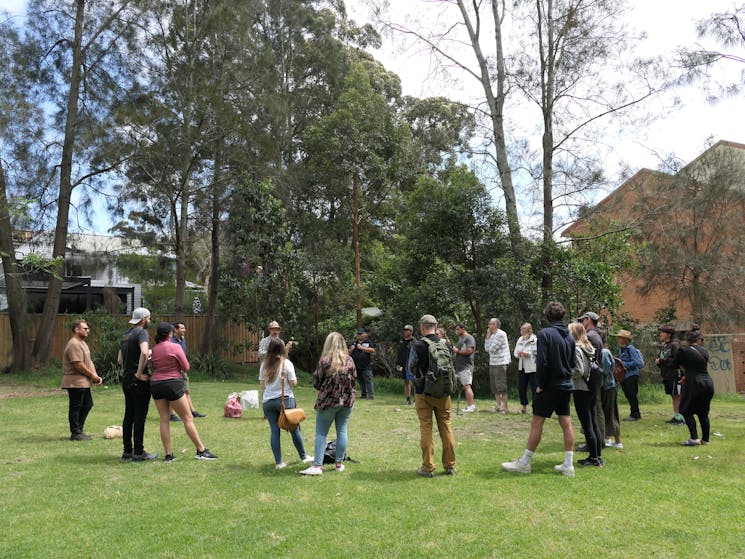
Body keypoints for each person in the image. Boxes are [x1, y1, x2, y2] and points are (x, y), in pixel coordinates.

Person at [502, 302, 576, 477]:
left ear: (547, 316)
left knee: (537, 422)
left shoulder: (545, 334)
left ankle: (525, 463)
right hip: (566, 384)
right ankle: (568, 465)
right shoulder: (570, 337)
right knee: (566, 422)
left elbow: (541, 362)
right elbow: (573, 363)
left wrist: (540, 384)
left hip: (550, 386)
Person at [150, 323, 217, 461]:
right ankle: (201, 450)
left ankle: (168, 455)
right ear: (170, 334)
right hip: (172, 384)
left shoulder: (155, 349)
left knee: (164, 419)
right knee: (188, 418)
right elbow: (186, 367)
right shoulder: (175, 347)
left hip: (156, 384)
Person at [300, 332, 357, 475]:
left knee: (321, 433)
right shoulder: (350, 361)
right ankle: (338, 464)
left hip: (327, 403)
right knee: (342, 431)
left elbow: (316, 382)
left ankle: (317, 466)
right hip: (346, 402)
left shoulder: (325, 361)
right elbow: (354, 380)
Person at [408, 314, 456, 477]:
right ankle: (450, 465)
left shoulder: (418, 345)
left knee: (426, 427)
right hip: (443, 393)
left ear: (422, 327)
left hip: (423, 392)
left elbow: (410, 367)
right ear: (435, 327)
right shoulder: (447, 344)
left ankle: (428, 467)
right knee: (446, 426)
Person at [259, 338, 312, 468]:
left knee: (274, 431)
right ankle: (303, 456)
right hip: (285, 400)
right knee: (294, 429)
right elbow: (293, 383)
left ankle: (279, 463)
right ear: (282, 349)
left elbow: (262, 386)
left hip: (267, 402)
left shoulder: (264, 365)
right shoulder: (286, 363)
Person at [117, 307, 157, 461]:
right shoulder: (142, 332)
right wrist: (139, 373)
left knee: (129, 415)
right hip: (138, 381)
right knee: (140, 417)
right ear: (143, 319)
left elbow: (119, 360)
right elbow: (145, 352)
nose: (150, 321)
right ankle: (139, 452)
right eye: (149, 318)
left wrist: (131, 371)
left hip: (126, 380)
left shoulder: (125, 335)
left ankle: (127, 451)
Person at [61, 320, 102, 441]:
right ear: (76, 330)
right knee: (76, 407)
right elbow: (78, 364)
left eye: (87, 328)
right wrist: (92, 376)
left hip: (83, 381)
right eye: (85, 328)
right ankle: (75, 433)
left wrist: (95, 375)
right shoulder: (74, 344)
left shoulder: (82, 343)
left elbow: (88, 362)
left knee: (88, 404)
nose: (87, 330)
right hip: (75, 382)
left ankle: (79, 430)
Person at [569, 322, 603, 467]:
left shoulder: (577, 349)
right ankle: (598, 456)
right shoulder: (589, 347)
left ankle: (593, 458)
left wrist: (566, 374)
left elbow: (579, 371)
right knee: (593, 422)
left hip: (581, 388)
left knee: (587, 424)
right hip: (591, 387)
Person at [673, 327, 715, 446]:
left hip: (694, 382)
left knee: (685, 410)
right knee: (703, 412)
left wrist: (684, 371)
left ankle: (694, 438)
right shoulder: (704, 351)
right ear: (699, 339)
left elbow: (674, 364)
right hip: (708, 382)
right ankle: (705, 440)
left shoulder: (683, 350)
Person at [169, 321, 206, 422]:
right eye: (182, 328)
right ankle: (171, 415)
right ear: (175, 330)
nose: (184, 330)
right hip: (174, 370)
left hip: (182, 369)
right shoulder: (171, 341)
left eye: (184, 328)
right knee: (173, 392)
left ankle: (192, 412)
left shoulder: (182, 339)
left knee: (186, 390)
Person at [578, 312, 605, 443]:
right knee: (595, 408)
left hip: (590, 377)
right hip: (596, 376)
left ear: (588, 320)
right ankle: (597, 439)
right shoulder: (596, 335)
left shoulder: (590, 336)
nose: (581, 323)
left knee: (593, 410)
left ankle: (595, 440)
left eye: (582, 320)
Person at [597, 327, 623, 449]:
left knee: (610, 413)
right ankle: (608, 438)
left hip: (608, 387)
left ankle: (617, 441)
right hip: (606, 386)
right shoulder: (603, 351)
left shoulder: (604, 352)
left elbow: (606, 370)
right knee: (608, 413)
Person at [656, 325, 684, 425]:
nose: (661, 334)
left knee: (677, 396)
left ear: (669, 334)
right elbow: (662, 358)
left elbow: (676, 360)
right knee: (673, 396)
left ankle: (681, 418)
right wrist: (658, 362)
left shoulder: (674, 345)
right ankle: (676, 416)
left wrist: (662, 361)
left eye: (663, 332)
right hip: (667, 375)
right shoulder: (664, 345)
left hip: (675, 375)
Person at [615, 329, 644, 421]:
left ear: (625, 339)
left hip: (631, 375)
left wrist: (623, 364)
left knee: (632, 394)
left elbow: (638, 362)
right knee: (628, 394)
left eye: (620, 337)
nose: (618, 339)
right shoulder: (620, 349)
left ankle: (635, 414)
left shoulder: (630, 349)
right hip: (624, 376)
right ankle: (634, 413)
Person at [484, 317, 511, 413]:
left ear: (495, 325)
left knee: (501, 386)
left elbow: (492, 349)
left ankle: (505, 408)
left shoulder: (501, 334)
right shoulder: (491, 335)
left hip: (501, 363)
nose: (488, 326)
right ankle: (498, 406)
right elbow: (486, 348)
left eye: (490, 324)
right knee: (494, 386)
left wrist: (489, 344)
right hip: (493, 362)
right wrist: (487, 336)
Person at [513, 322, 537, 414]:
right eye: (521, 329)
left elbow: (537, 352)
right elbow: (515, 352)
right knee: (521, 388)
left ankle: (535, 408)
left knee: (534, 388)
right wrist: (518, 354)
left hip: (532, 368)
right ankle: (524, 407)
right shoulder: (520, 339)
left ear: (529, 330)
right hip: (522, 367)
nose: (521, 331)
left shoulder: (535, 339)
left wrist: (528, 354)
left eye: (523, 329)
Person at [453, 324, 476, 412]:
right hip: (461, 367)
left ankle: (471, 406)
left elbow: (470, 350)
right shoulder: (461, 339)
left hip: (466, 366)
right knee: (466, 386)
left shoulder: (469, 338)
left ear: (463, 329)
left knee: (467, 386)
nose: (457, 331)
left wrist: (457, 351)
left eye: (458, 329)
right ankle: (469, 405)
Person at [350, 327, 375, 400]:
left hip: (366, 365)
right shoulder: (354, 343)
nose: (359, 335)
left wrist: (362, 348)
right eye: (358, 334)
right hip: (356, 365)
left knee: (368, 380)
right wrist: (351, 350)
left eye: (361, 334)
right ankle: (363, 394)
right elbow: (347, 353)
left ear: (364, 334)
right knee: (360, 381)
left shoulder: (368, 342)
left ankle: (371, 396)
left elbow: (372, 350)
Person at [396, 325, 416, 405]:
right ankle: (408, 399)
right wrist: (398, 363)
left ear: (411, 331)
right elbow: (400, 353)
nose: (405, 331)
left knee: (414, 382)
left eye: (407, 330)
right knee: (406, 382)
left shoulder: (415, 342)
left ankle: (416, 400)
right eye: (404, 330)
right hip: (404, 365)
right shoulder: (402, 341)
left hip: (411, 365)